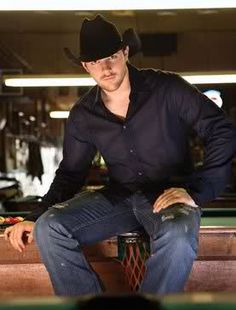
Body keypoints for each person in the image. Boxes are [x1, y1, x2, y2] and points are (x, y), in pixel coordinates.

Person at [4, 15, 236, 296]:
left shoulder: (168, 88)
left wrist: (197, 191)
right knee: (49, 228)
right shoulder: (83, 114)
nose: (106, 67)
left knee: (178, 233)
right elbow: (70, 174)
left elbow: (220, 128)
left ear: (125, 53)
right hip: (119, 198)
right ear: (85, 66)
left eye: (112, 56)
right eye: (95, 62)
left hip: (170, 195)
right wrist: (36, 216)